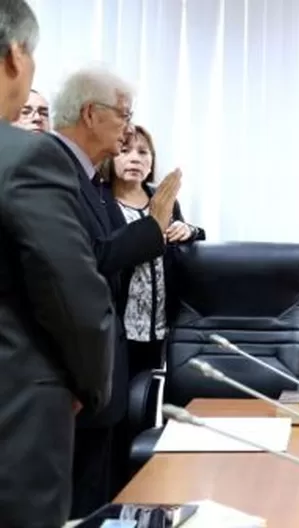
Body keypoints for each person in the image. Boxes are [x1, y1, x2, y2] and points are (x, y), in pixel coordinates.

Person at [0, 1, 117, 526]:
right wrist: (89, 386)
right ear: (16, 55)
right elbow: (74, 295)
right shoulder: (23, 157)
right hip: (15, 421)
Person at [48, 65, 182, 517]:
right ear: (91, 114)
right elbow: (94, 257)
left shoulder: (79, 175)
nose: (128, 129)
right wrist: (153, 225)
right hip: (65, 371)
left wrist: (169, 224)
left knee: (97, 485)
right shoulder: (57, 171)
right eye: (123, 115)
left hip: (106, 359)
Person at [98, 124, 204, 379]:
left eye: (143, 152)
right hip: (118, 323)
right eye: (125, 150)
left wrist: (188, 230)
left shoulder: (162, 199)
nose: (135, 158)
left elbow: (188, 242)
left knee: (147, 395)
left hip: (160, 322)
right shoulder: (99, 199)